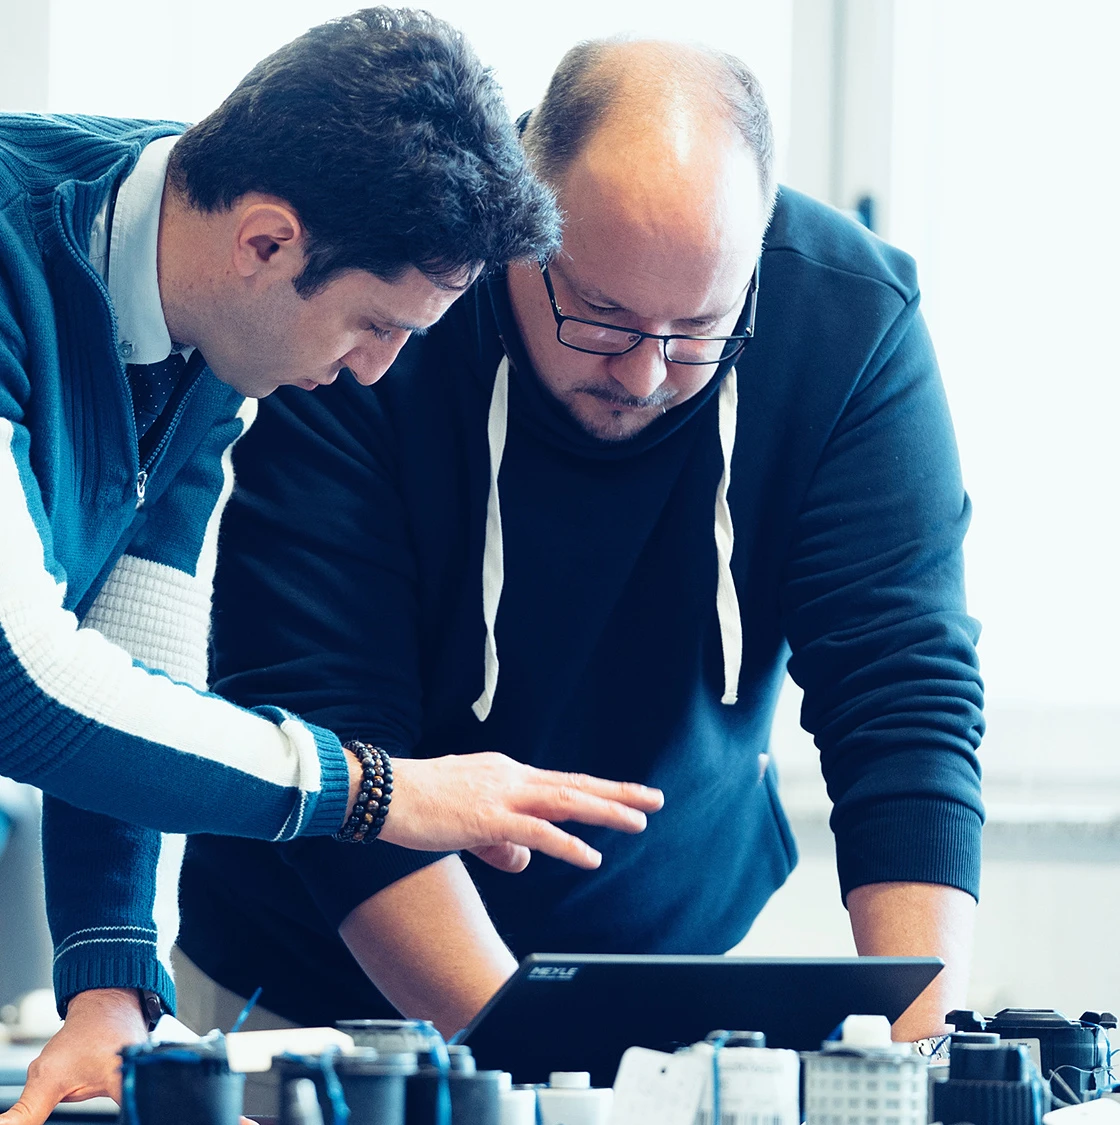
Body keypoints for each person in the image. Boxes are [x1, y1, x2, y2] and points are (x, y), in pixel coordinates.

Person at [178, 34, 985, 1063]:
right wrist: (532, 1052)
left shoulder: (850, 321)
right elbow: (321, 714)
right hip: (305, 990)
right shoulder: (384, 300)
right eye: (601, 316)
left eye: (698, 330)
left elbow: (902, 696)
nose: (644, 376)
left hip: (667, 979)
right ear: (521, 222)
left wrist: (924, 1062)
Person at [0, 14, 666, 1125]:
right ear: (266, 244)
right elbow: (22, 681)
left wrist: (111, 988)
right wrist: (379, 793)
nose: (374, 372)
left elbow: (131, 650)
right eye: (372, 324)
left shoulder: (205, 311)